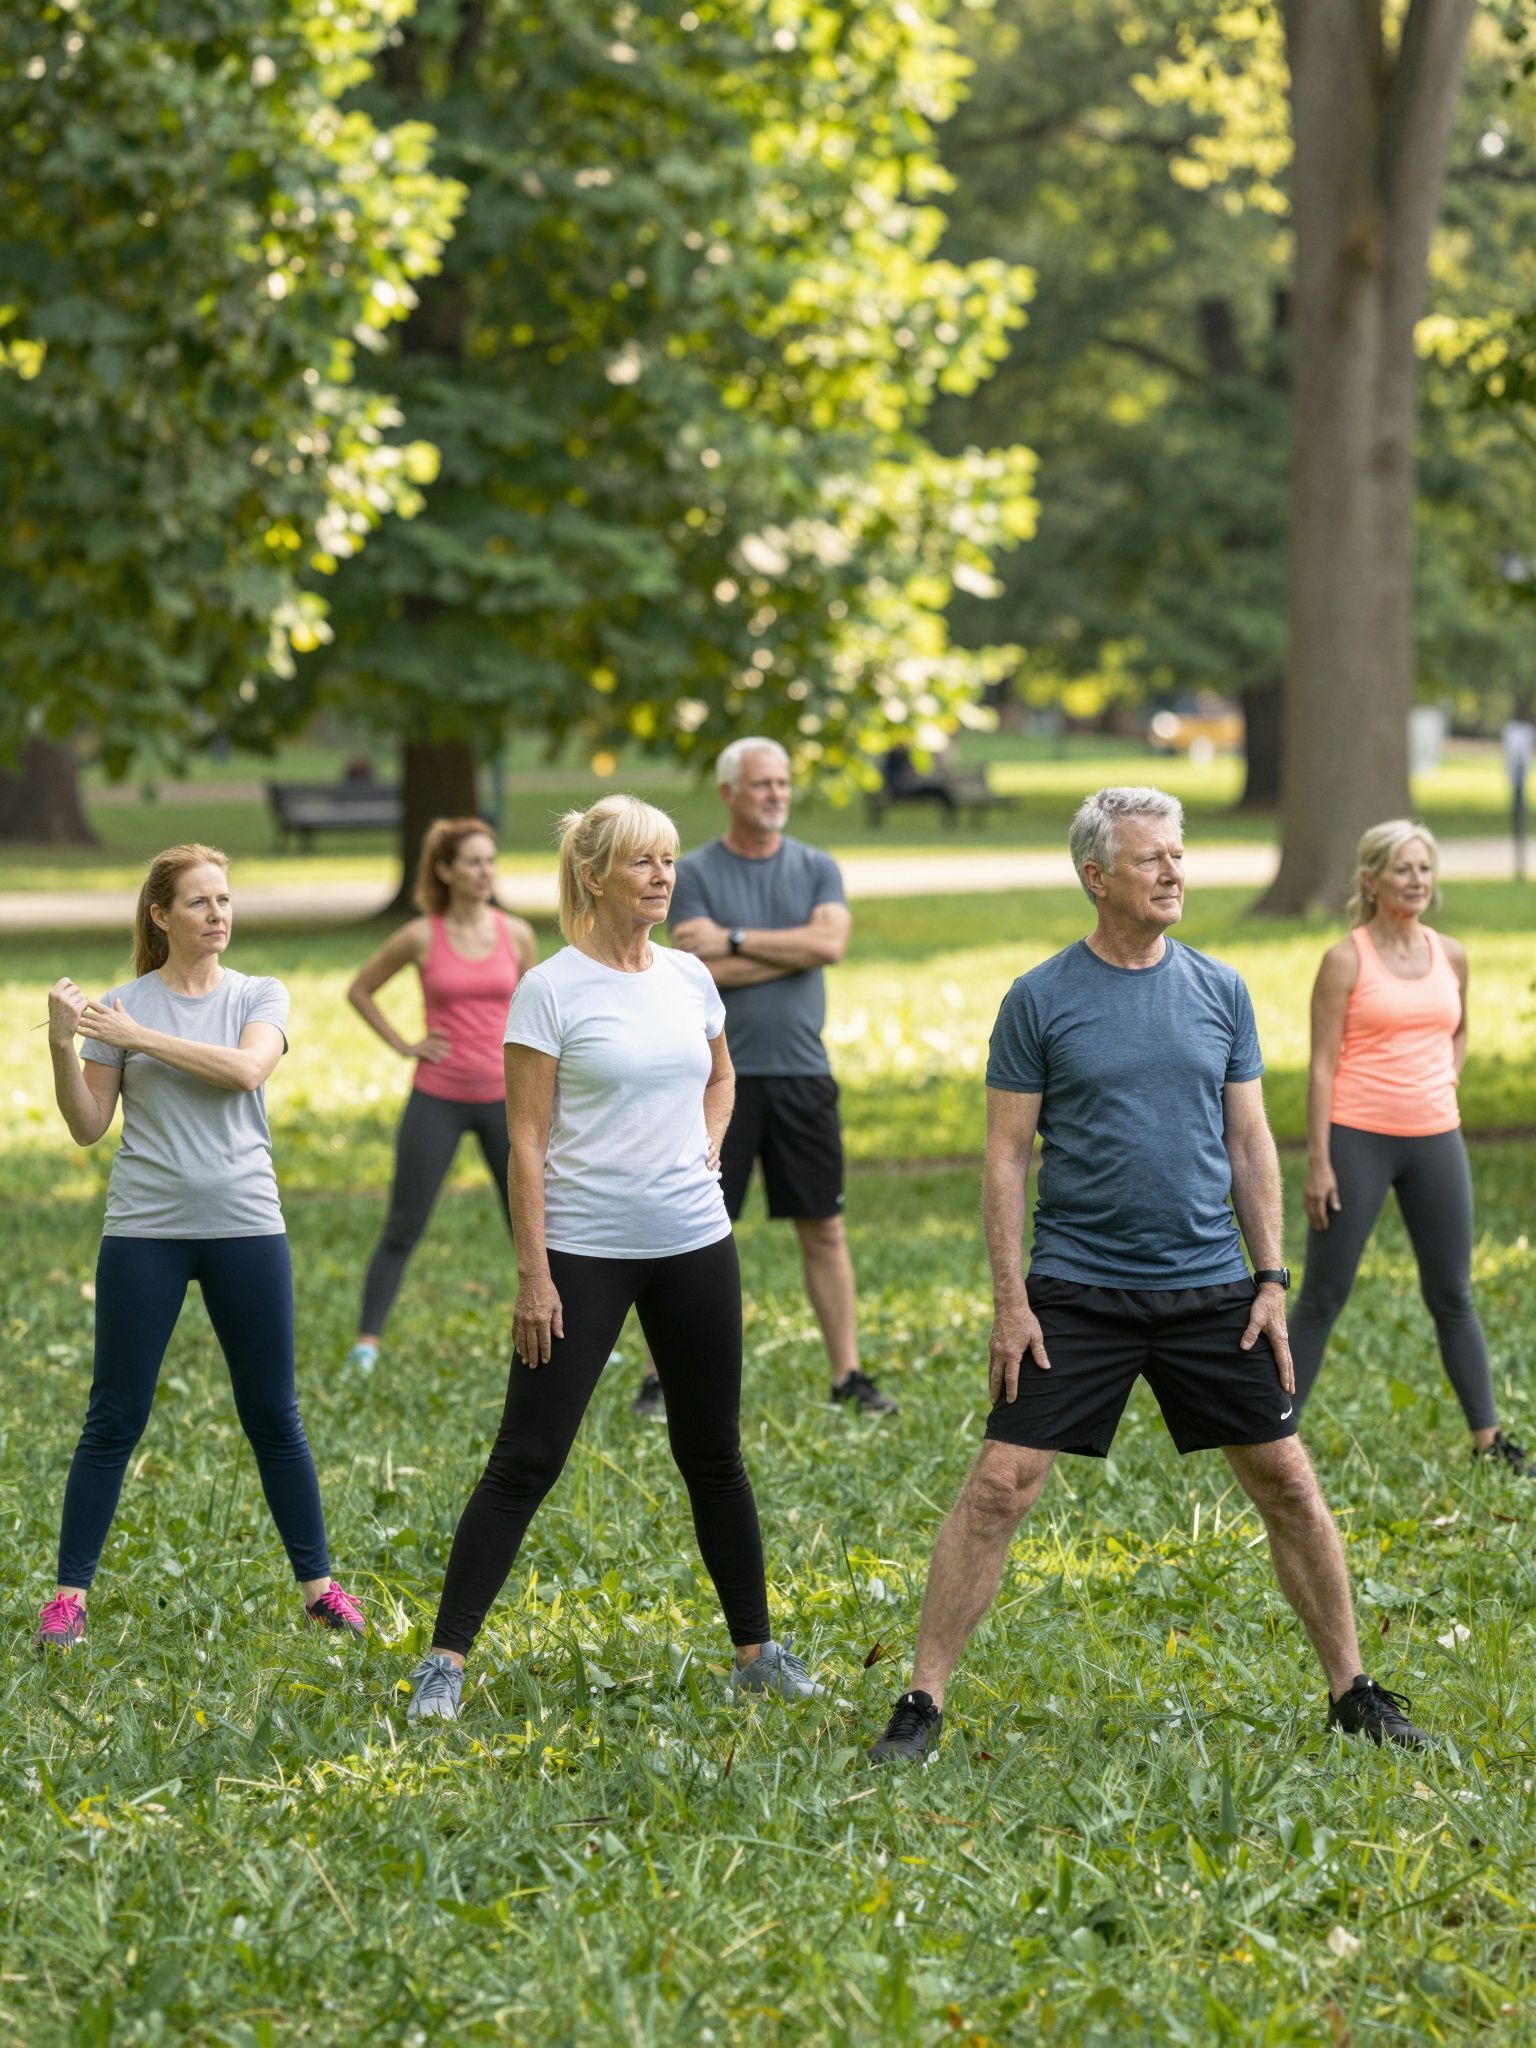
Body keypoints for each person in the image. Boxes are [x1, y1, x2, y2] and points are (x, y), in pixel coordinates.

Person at [869, 787, 1431, 1764]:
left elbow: (1249, 1141)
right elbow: (1006, 1157)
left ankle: (1353, 1689)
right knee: (999, 1485)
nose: (1174, 871)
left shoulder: (1219, 989)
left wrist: (1269, 1278)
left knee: (1287, 1481)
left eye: (1178, 853)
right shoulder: (1039, 998)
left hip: (1210, 1285)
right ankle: (921, 1701)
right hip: (1078, 1287)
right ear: (1096, 877)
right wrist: (1010, 1301)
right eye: (1151, 858)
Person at [405, 795, 823, 1722]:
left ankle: (755, 1651)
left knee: (713, 1452)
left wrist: (710, 1140)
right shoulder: (550, 988)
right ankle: (443, 1662)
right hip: (582, 1251)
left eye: (669, 860)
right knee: (526, 1458)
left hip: (694, 1243)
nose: (664, 876)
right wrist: (534, 1275)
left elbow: (722, 1074)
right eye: (643, 861)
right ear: (593, 876)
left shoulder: (689, 976)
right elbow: (525, 1142)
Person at [36, 844, 366, 1649]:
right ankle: (68, 1600)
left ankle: (319, 1589)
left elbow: (248, 1070)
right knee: (114, 1415)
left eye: (224, 899)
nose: (218, 914)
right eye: (199, 902)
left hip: (246, 1225)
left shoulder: (257, 993)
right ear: (161, 915)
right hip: (144, 1230)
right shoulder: (121, 1007)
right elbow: (87, 1127)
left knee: (273, 1413)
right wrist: (62, 1045)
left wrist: (138, 1037)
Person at [630, 735, 895, 1421]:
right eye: (761, 784)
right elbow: (696, 969)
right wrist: (792, 951)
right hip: (715, 1079)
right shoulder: (692, 872)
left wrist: (737, 940)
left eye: (781, 782)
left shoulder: (815, 866)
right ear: (729, 793)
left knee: (825, 1227)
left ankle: (847, 1375)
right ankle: (659, 1379)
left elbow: (830, 943)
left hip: (803, 1076)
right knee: (687, 1230)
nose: (776, 793)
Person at [1289, 819, 1529, 1471]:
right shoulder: (1345, 960)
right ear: (1371, 880)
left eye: (1424, 868)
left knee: (1453, 1293)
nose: (1417, 880)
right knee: (1324, 1295)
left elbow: (1459, 1029)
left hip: (1436, 1139)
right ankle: (1271, 1436)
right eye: (1403, 869)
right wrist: (1319, 1163)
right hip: (1357, 1138)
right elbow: (1321, 1064)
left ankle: (1488, 1442)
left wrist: (1445, 1077)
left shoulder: (1451, 954)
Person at [345, 818, 537, 1373]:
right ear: (446, 871)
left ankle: (570, 1331)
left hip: (505, 1098)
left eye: (490, 861)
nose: (484, 872)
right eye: (473, 862)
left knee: (531, 1227)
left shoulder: (517, 934)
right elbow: (360, 990)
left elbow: (539, 1010)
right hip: (438, 1096)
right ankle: (366, 1344)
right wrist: (405, 1044)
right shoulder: (421, 935)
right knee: (403, 1224)